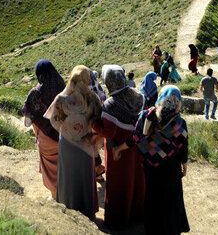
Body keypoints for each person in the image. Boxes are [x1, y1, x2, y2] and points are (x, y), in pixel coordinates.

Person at [112, 85, 189, 234]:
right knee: (171, 199)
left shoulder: (147, 115)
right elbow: (183, 147)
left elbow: (134, 139)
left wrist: (118, 149)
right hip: (171, 168)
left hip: (151, 167)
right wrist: (184, 165)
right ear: (178, 101)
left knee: (152, 197)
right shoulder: (180, 123)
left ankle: (152, 229)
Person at [44, 65, 102, 220]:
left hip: (67, 144)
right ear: (87, 79)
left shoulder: (61, 98)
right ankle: (87, 212)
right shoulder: (93, 98)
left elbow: (53, 120)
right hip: (85, 143)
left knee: (68, 176)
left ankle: (68, 209)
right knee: (84, 176)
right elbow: (97, 122)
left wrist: (67, 130)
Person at [92, 65, 145, 229]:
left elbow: (108, 133)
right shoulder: (138, 96)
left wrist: (93, 123)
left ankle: (118, 220)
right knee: (136, 179)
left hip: (118, 152)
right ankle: (137, 214)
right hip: (137, 146)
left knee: (120, 183)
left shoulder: (110, 105)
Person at [22, 60, 65, 198]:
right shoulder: (64, 87)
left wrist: (39, 134)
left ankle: (54, 195)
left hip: (46, 137)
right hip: (66, 136)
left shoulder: (36, 92)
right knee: (65, 165)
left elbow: (29, 116)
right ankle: (67, 193)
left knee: (51, 168)